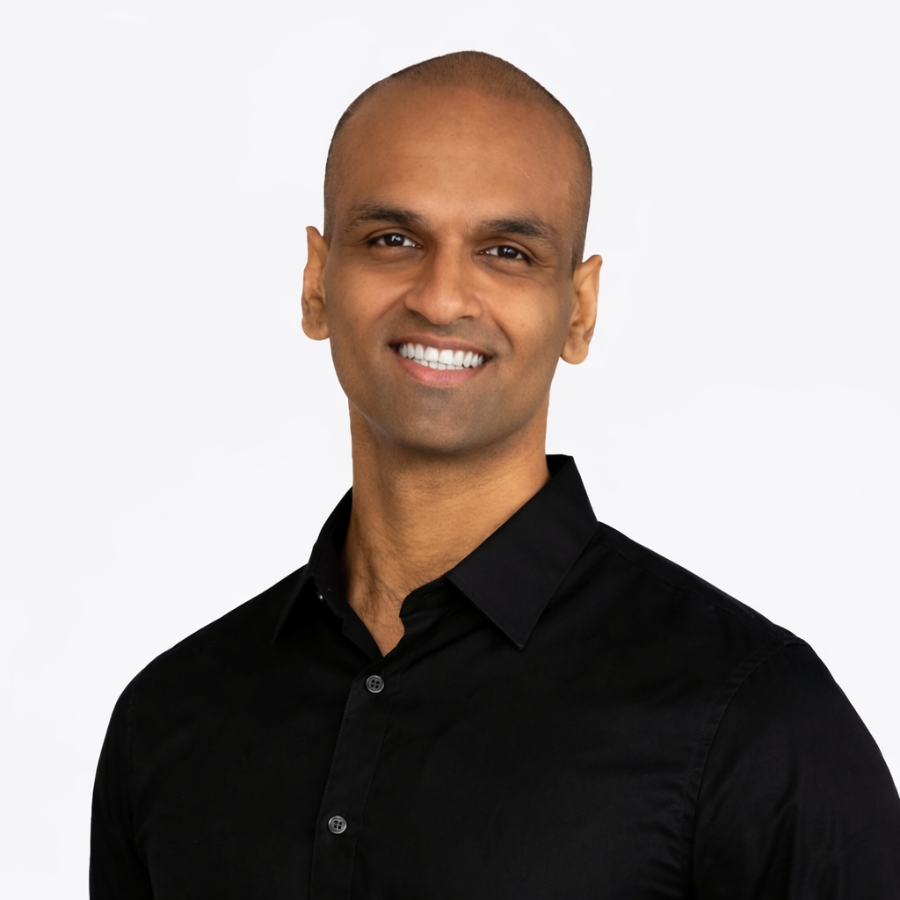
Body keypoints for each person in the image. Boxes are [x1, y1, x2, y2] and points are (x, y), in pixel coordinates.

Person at [90, 51, 900, 898]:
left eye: (507, 252)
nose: (442, 298)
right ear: (316, 284)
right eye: (393, 240)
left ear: (579, 311)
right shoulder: (170, 715)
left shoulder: (755, 721)